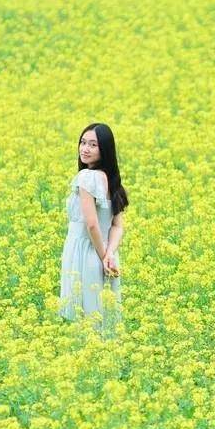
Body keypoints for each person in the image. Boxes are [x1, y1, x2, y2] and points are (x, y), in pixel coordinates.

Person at [58, 123, 129, 328]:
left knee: (84, 318)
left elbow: (91, 224)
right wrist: (109, 255)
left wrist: (101, 255)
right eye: (82, 142)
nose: (85, 149)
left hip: (86, 251)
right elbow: (117, 226)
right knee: (103, 317)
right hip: (107, 253)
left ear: (104, 150)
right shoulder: (113, 181)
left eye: (93, 145)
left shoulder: (86, 178)